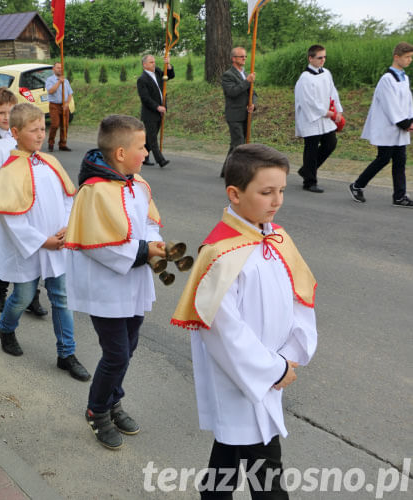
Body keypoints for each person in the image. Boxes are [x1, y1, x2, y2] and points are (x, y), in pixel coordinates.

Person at [171, 144, 318, 498]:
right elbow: (223, 331)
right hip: (240, 377)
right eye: (266, 192)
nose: (277, 200)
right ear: (234, 194)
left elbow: (300, 297)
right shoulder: (220, 253)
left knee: (230, 452)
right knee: (265, 471)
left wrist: (292, 353)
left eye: (281, 190)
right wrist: (273, 369)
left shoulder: (277, 238)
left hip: (272, 369)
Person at [64, 115, 166, 449]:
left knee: (129, 346)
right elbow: (101, 246)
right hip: (105, 287)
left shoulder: (137, 184)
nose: (147, 150)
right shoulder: (94, 192)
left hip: (133, 283)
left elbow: (148, 221)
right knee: (117, 354)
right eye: (141, 146)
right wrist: (143, 250)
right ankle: (97, 410)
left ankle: (112, 400)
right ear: (120, 153)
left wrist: (155, 243)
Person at [0, 103, 91, 381]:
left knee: (61, 298)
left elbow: (67, 197)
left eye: (42, 128)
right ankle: (6, 327)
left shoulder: (50, 162)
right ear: (15, 132)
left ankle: (67, 353)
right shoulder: (10, 171)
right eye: (33, 130)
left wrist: (65, 228)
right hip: (29, 247)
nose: (40, 135)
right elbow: (11, 219)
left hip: (57, 243)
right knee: (23, 296)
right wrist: (42, 241)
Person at [0, 88, 47, 315]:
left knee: (29, 253)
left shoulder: (21, 135)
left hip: (22, 207)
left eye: (10, 111)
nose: (6, 116)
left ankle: (32, 296)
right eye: (1, 112)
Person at [349, 42, 413, 208]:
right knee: (383, 158)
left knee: (400, 160)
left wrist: (410, 119)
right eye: (407, 57)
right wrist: (404, 123)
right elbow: (390, 104)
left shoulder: (404, 77)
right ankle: (357, 186)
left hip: (400, 128)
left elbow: (408, 102)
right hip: (388, 127)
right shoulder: (387, 79)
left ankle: (399, 196)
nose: (410, 60)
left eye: (411, 57)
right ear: (396, 57)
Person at [294, 44, 343, 193]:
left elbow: (332, 92)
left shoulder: (326, 73)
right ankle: (309, 181)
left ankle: (307, 170)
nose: (323, 60)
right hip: (311, 118)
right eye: (319, 57)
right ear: (310, 58)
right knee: (311, 148)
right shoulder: (305, 78)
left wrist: (338, 110)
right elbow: (307, 101)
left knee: (330, 143)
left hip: (326, 116)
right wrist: (325, 112)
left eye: (324, 57)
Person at [220, 47, 256, 177]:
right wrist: (247, 82)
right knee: (239, 144)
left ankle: (226, 170)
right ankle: (236, 173)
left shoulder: (246, 74)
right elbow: (232, 92)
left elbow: (253, 93)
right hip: (234, 115)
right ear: (233, 58)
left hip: (245, 114)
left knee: (237, 144)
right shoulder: (228, 75)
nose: (244, 58)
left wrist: (253, 104)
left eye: (245, 56)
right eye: (241, 56)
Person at [137, 54, 174, 168]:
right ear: (144, 65)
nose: (154, 64)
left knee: (149, 138)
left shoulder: (157, 72)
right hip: (150, 113)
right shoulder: (142, 79)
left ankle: (143, 156)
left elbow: (170, 76)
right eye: (151, 62)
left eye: (154, 62)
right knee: (153, 139)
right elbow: (145, 98)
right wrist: (157, 107)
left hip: (160, 111)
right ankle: (160, 160)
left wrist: (168, 65)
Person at [44, 62, 73, 152]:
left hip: (64, 105)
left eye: (61, 68)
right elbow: (51, 91)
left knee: (65, 126)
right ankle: (51, 142)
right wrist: (59, 82)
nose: (60, 69)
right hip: (54, 105)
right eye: (58, 68)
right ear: (53, 69)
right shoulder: (50, 80)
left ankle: (62, 144)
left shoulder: (66, 81)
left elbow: (70, 94)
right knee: (55, 124)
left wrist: (67, 103)